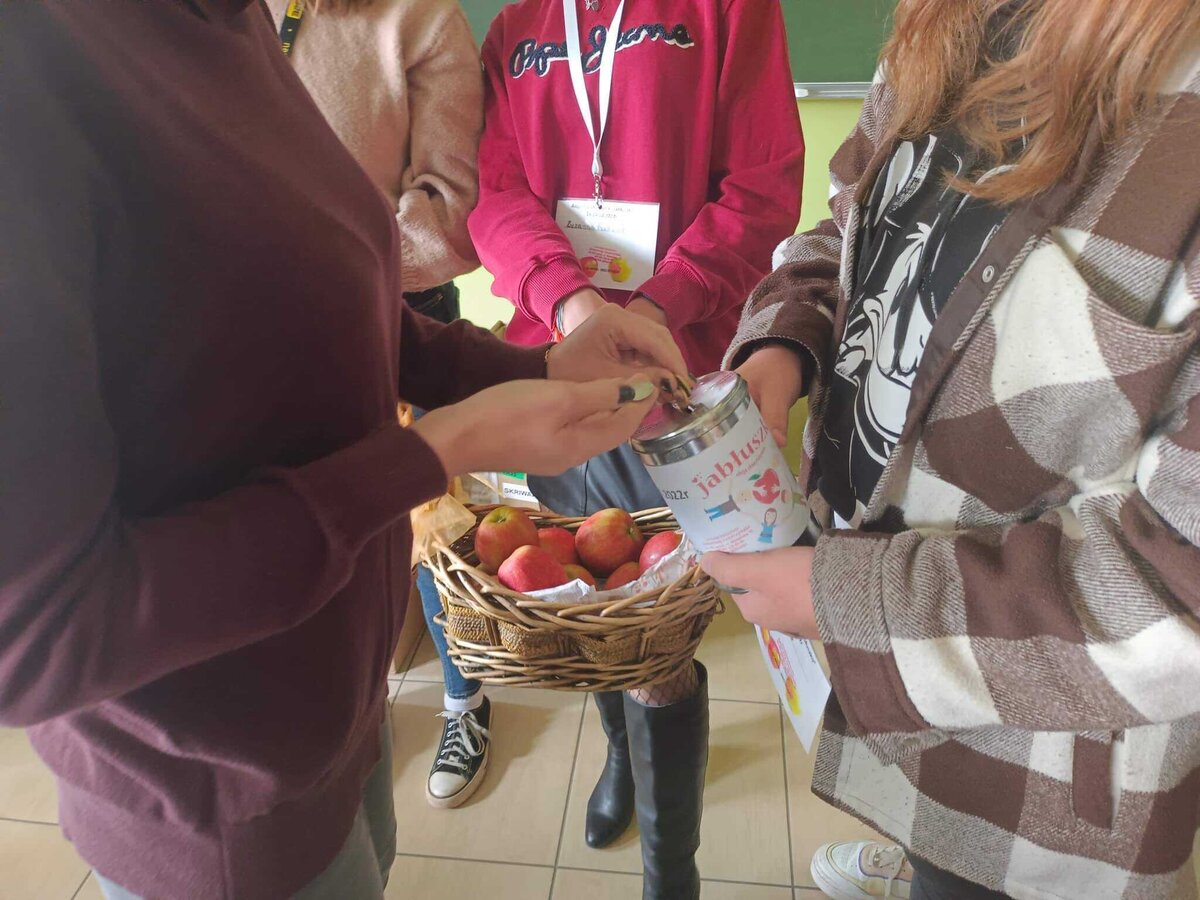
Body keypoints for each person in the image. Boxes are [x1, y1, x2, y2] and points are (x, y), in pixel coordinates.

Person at [0, 3, 691, 899]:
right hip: (219, 788)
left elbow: (316, 300)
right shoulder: (33, 63)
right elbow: (37, 636)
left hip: (333, 704)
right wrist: (432, 453)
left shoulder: (232, 23)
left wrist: (538, 367)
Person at [701, 0, 1200, 898]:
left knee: (965, 876)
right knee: (925, 837)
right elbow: (852, 225)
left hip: (1043, 758)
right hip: (886, 628)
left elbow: (1178, 587)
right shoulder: (949, 26)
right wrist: (785, 336)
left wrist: (846, 601)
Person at [468, 1, 804, 897]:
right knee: (589, 591)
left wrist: (655, 308)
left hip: (676, 377)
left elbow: (763, 185)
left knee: (658, 638)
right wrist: (574, 306)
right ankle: (622, 754)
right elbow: (494, 192)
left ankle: (670, 870)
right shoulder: (516, 26)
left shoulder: (727, 10)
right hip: (555, 365)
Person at [265, 0, 499, 810]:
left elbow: (451, 206)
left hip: (395, 313)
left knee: (428, 522)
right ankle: (339, 715)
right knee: (305, 525)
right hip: (253, 324)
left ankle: (466, 700)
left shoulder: (418, 15)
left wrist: (334, 274)